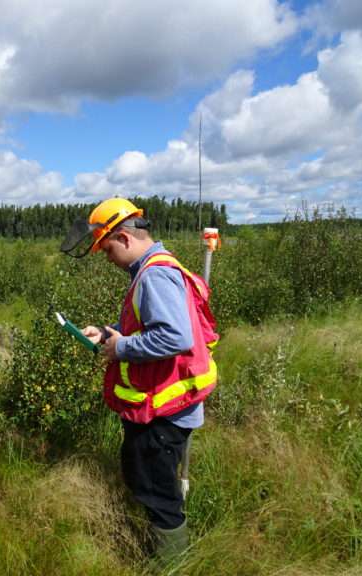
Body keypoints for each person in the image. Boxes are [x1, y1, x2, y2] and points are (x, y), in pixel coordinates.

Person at [60, 198, 218, 560]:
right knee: (144, 480)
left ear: (125, 238)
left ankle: (171, 564)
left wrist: (122, 349)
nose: (106, 257)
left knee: (158, 493)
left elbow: (176, 337)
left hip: (164, 411)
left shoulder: (155, 275)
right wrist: (107, 333)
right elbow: (149, 326)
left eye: (107, 248)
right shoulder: (154, 269)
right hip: (162, 405)